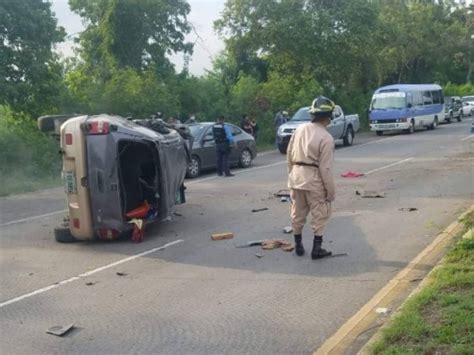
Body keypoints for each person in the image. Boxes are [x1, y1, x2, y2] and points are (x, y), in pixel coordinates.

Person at [287, 96, 336, 259]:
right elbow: (326, 169)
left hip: (296, 176)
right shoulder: (326, 138)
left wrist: (291, 174)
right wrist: (330, 192)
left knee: (297, 213)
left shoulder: (299, 129)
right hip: (314, 180)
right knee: (319, 214)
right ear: (328, 116)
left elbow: (289, 155)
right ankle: (317, 248)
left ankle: (298, 244)